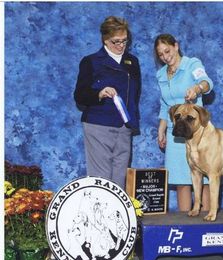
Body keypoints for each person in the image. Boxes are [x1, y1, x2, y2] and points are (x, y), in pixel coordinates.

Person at [74, 16, 141, 189]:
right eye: (115, 41)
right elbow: (80, 96)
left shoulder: (132, 61)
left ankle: (116, 216)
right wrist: (99, 93)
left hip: (124, 127)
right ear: (105, 39)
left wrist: (132, 121)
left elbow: (136, 94)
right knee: (101, 179)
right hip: (98, 125)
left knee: (120, 179)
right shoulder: (90, 61)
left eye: (124, 41)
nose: (121, 45)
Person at [154, 34, 214, 211]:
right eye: (161, 54)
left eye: (168, 51)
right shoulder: (161, 75)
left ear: (176, 46)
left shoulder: (192, 64)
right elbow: (165, 104)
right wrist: (161, 129)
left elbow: (207, 83)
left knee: (203, 179)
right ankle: (185, 226)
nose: (165, 56)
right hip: (176, 134)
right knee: (181, 181)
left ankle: (206, 222)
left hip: (196, 133)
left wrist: (197, 88)